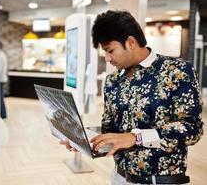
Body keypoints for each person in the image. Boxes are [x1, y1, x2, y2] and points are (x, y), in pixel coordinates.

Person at [61, 10, 204, 184]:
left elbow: (192, 129)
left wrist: (136, 137)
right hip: (119, 178)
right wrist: (83, 141)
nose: (107, 58)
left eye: (110, 50)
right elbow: (111, 131)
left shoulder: (177, 71)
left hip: (161, 180)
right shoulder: (112, 80)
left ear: (130, 42)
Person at [0, 42, 8, 119]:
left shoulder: (0, 56)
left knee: (0, 98)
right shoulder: (2, 55)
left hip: (0, 80)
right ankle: (3, 114)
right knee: (0, 97)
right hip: (1, 79)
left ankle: (3, 114)